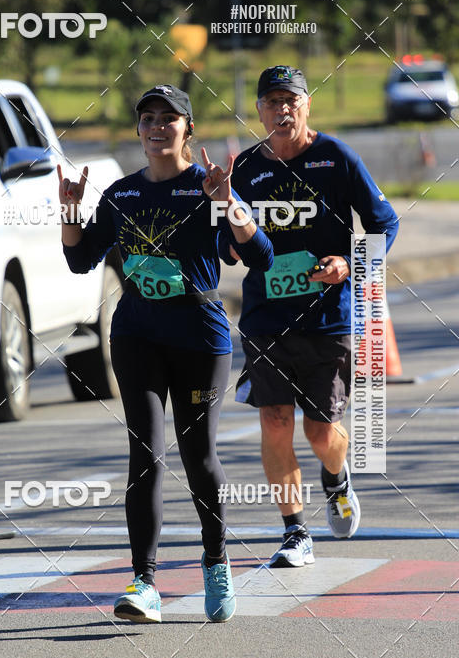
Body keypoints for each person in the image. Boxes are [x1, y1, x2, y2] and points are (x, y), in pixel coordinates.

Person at [59, 84, 273, 621]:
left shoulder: (206, 191)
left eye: (169, 118)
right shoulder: (121, 195)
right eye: (148, 117)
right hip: (137, 338)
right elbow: (80, 260)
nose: (157, 126)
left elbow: (261, 256)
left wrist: (228, 205)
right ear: (138, 129)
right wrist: (68, 212)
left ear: (188, 130)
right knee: (145, 456)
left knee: (197, 456)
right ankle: (143, 583)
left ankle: (217, 561)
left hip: (200, 339)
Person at [222, 65, 398, 567]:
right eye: (272, 101)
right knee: (275, 423)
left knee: (321, 433)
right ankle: (294, 532)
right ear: (258, 110)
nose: (282, 110)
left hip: (329, 319)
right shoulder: (249, 169)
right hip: (265, 320)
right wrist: (227, 214)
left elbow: (384, 223)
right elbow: (226, 246)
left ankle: (337, 478)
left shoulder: (336, 157)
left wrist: (351, 262)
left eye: (291, 100)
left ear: (307, 105)